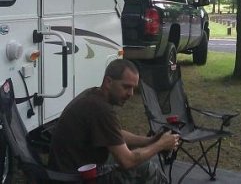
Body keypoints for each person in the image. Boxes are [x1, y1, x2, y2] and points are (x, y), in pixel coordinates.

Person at [48, 59, 180, 183]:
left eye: (133, 88)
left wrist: (149, 141)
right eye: (126, 87)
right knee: (148, 169)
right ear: (108, 82)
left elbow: (113, 133)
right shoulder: (100, 109)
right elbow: (127, 161)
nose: (131, 93)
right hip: (75, 178)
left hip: (68, 168)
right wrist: (160, 145)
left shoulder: (93, 95)